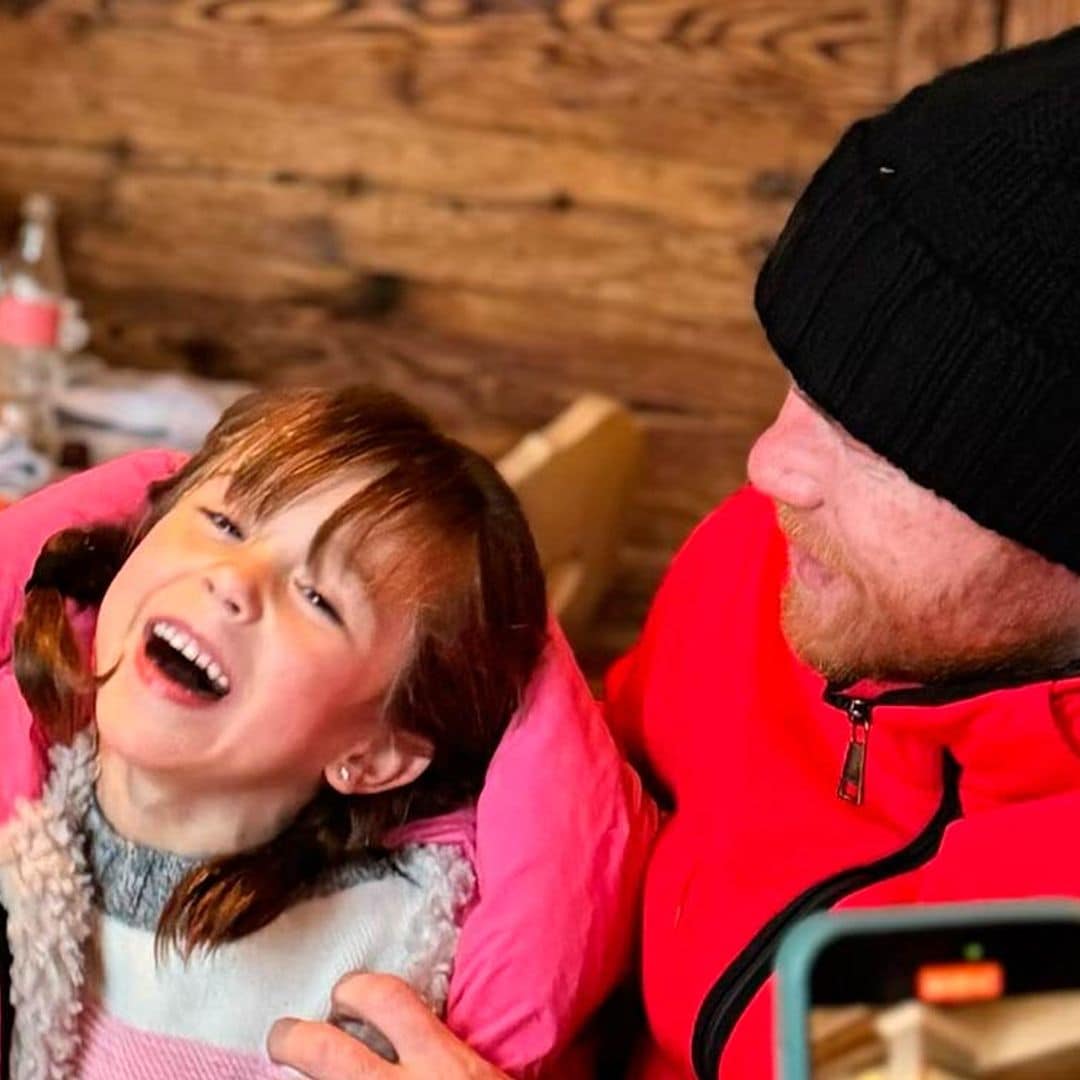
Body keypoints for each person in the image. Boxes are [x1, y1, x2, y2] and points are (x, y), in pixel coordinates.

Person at [255, 24, 1080, 1080]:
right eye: (799, 381)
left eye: (877, 443)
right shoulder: (771, 563)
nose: (770, 463)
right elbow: (589, 816)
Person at [0, 386, 656, 1078]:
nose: (233, 578)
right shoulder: (22, 806)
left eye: (319, 599)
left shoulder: (393, 972)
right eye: (225, 523)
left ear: (372, 755)